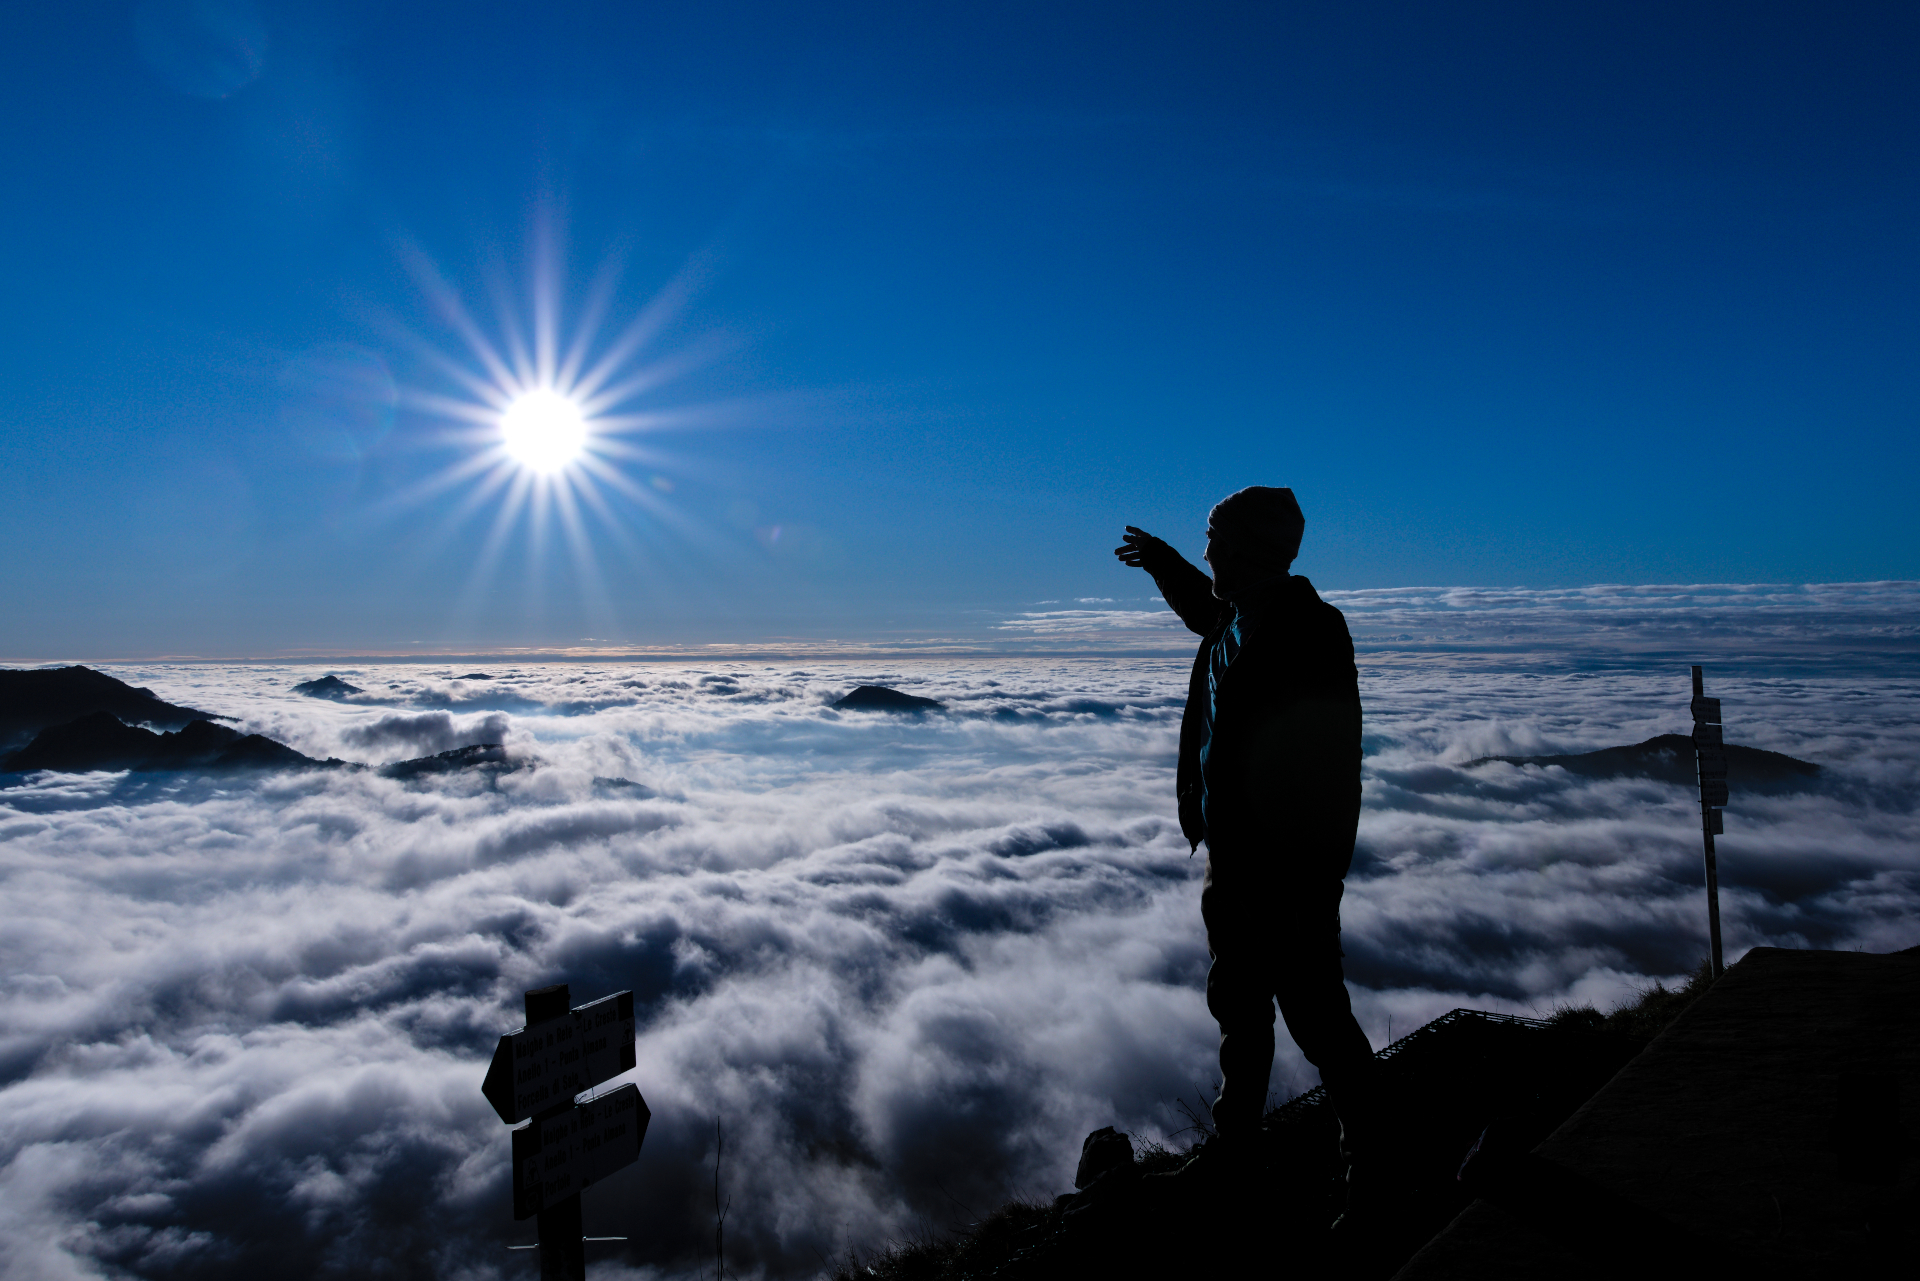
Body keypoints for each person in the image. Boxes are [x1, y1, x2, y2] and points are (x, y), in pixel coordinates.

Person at [1115, 487, 1383, 1223]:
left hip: (1286, 869)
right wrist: (1166, 565)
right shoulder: (1237, 616)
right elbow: (1206, 609)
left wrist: (1315, 873)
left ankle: (1378, 1172)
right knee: (1240, 1008)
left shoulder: (1310, 630)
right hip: (1231, 860)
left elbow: (1332, 763)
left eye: (1214, 542)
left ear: (1247, 550)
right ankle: (1236, 1150)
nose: (1208, 553)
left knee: (1317, 1018)